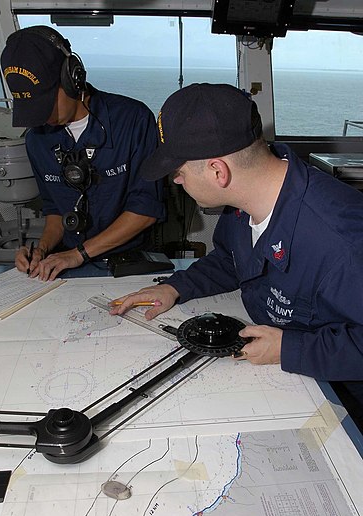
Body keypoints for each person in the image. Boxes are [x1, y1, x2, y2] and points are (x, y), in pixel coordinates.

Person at [110, 83, 363, 386]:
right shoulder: (241, 205)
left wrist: (290, 349)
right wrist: (175, 287)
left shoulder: (342, 239)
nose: (176, 180)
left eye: (179, 171)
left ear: (219, 171)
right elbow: (232, 261)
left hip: (342, 393)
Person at [1, 26, 164, 281]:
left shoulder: (133, 120)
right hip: (66, 262)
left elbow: (146, 210)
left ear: (71, 78)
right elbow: (55, 209)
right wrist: (42, 249)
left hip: (126, 263)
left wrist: (79, 254)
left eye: (45, 103)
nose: (42, 116)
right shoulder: (36, 139)